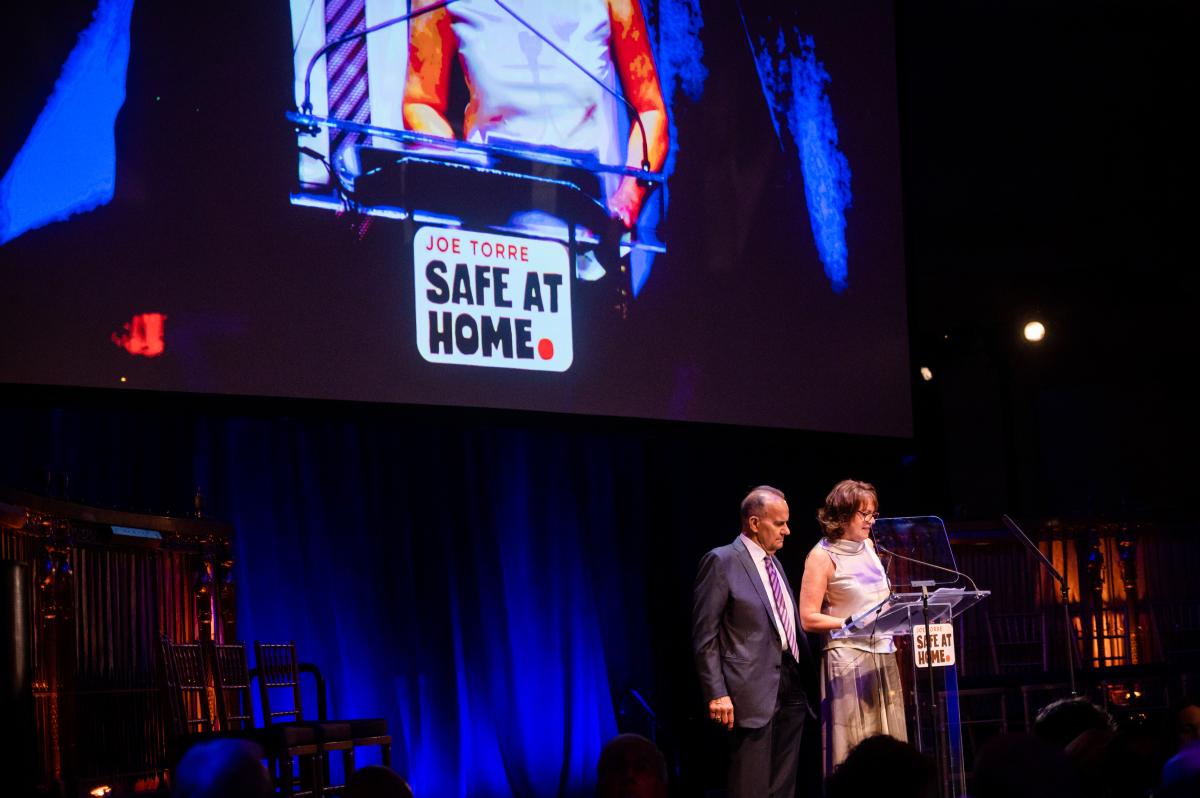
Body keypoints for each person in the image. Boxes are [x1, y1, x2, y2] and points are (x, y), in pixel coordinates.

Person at [403, 0, 668, 229]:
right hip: (488, 227)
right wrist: (454, 172)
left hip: (590, 233)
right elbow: (421, 102)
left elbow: (650, 110)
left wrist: (628, 198)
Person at [692, 485, 817, 798]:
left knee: (783, 786)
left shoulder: (774, 563)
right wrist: (716, 692)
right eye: (780, 523)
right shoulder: (722, 561)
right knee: (751, 786)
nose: (787, 531)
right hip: (750, 689)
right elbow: (705, 635)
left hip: (791, 682)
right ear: (754, 523)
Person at [798, 478, 906, 775]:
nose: (871, 520)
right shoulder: (822, 556)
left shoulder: (869, 546)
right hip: (848, 661)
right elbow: (807, 617)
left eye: (874, 514)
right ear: (843, 516)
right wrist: (848, 622)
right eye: (864, 514)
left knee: (889, 749)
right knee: (855, 748)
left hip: (883, 655)